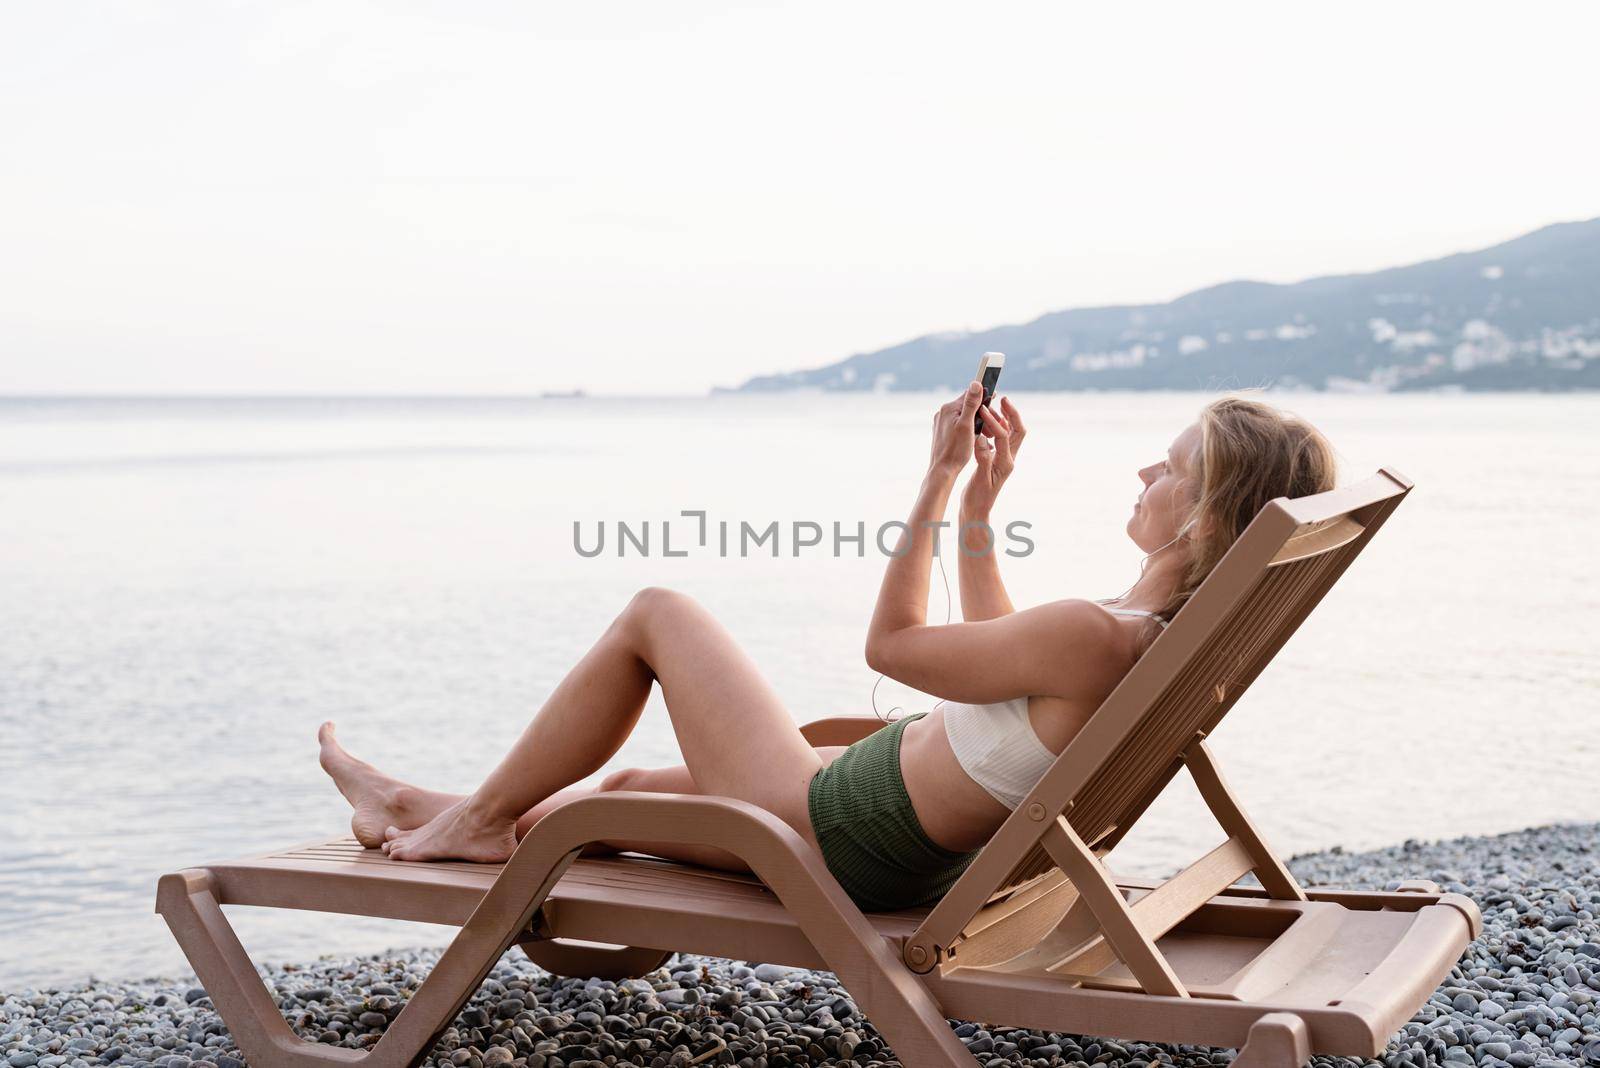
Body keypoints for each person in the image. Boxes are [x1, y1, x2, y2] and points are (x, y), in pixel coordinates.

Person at [318, 383, 1338, 911]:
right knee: (611, 791)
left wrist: (933, 481)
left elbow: (894, 646)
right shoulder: (1127, 635)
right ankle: (424, 808)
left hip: (829, 831)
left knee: (658, 609)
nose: (1141, 470)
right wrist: (984, 505)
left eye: (1168, 467)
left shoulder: (1096, 637)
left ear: (1205, 518)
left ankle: (474, 819)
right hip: (882, 826)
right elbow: (999, 649)